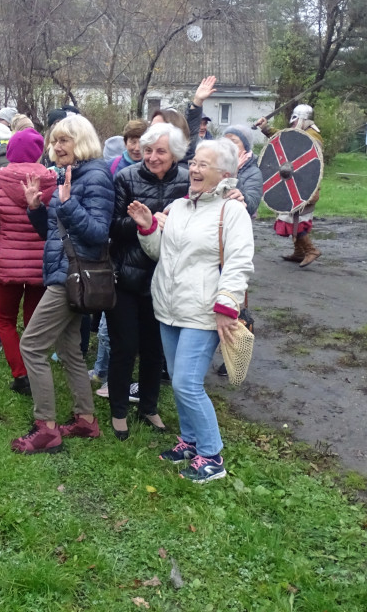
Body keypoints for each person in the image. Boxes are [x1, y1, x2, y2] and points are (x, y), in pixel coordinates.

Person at [127, 138, 253, 484]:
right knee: (181, 381)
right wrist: (147, 227)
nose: (194, 169)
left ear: (224, 173)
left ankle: (211, 455)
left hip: (204, 312)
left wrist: (227, 304)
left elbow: (240, 262)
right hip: (169, 308)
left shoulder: (232, 211)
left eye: (203, 165)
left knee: (186, 383)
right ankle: (191, 441)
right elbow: (159, 254)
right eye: (194, 162)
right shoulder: (180, 207)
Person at [11, 115, 114, 453]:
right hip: (64, 272)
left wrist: (67, 204)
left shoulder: (96, 176)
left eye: (64, 141)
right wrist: (36, 209)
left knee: (32, 346)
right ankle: (86, 421)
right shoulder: (69, 175)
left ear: (82, 141)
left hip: (72, 276)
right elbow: (54, 234)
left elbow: (99, 233)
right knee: (70, 349)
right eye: (54, 141)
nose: (56, 147)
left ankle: (47, 428)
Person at [107, 122, 190, 440]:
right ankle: (118, 411)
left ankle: (149, 406)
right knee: (124, 347)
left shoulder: (186, 180)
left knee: (155, 350)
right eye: (148, 150)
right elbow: (113, 226)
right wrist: (148, 222)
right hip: (127, 275)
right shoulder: (125, 178)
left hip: (166, 279)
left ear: (175, 155)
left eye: (161, 151)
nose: (153, 157)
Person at [0, 128, 57, 394]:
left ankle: (20, 375)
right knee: (33, 322)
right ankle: (35, 371)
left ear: (10, 153)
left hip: (7, 262)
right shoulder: (52, 180)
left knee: (5, 321)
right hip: (42, 263)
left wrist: (3, 228)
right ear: (39, 151)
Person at [256, 104, 323, 267]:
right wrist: (266, 128)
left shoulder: (312, 136)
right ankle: (299, 252)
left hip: (303, 186)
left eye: (294, 120)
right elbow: (282, 139)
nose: (292, 124)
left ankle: (311, 250)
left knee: (295, 220)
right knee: (291, 216)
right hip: (292, 182)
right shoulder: (303, 133)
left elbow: (311, 165)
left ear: (301, 118)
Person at [221, 126, 262, 217]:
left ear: (245, 146)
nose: (228, 146)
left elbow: (251, 206)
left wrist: (234, 173)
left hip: (238, 222)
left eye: (233, 141)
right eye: (225, 141)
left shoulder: (254, 172)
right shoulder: (216, 165)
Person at [185, 75, 217, 160]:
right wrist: (198, 101)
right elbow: (192, 127)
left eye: (205, 124)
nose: (203, 127)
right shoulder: (188, 146)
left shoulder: (213, 145)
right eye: (200, 124)